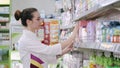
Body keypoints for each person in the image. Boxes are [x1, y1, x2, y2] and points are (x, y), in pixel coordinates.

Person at [14, 8, 79, 68]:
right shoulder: (26, 40)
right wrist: (71, 38)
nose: (41, 21)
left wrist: (64, 51)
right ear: (28, 22)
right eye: (38, 19)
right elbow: (49, 50)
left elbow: (44, 58)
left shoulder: (32, 37)